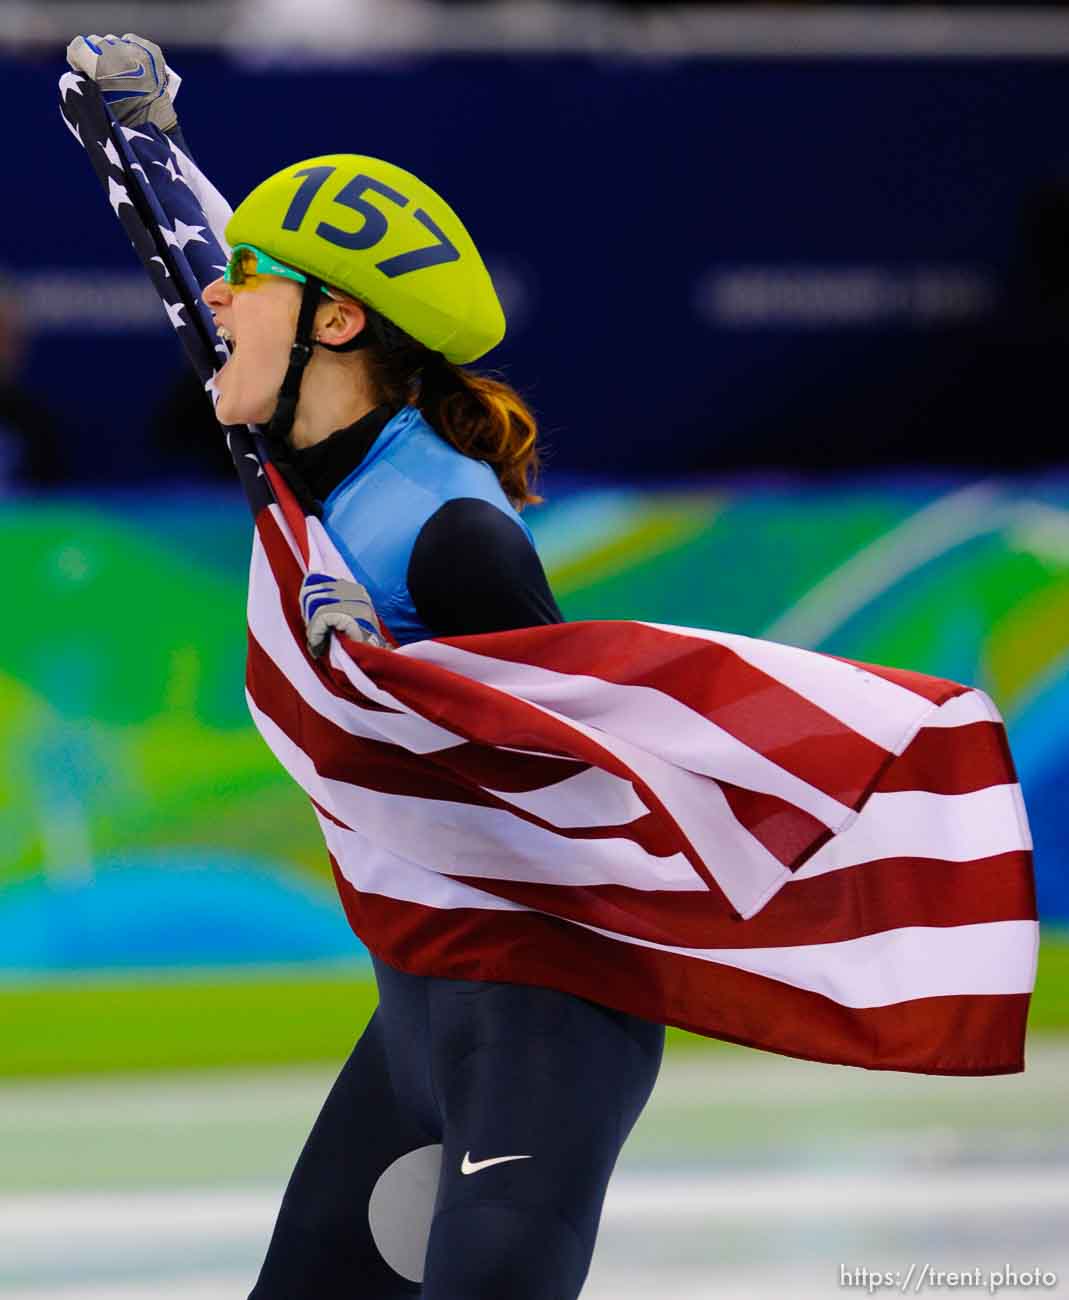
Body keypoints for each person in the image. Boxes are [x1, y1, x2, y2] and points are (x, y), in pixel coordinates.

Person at [65, 32, 665, 1299]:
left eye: (253, 285)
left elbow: (586, 794)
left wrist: (407, 683)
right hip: (421, 1022)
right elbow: (191, 259)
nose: (215, 303)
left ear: (338, 318)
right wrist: (141, 130)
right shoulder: (296, 450)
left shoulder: (451, 533)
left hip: (541, 1029)